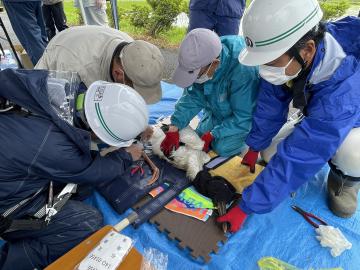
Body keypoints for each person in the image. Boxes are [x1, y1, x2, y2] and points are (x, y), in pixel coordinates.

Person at [217, 0, 360, 232]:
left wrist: (248, 204)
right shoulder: (293, 52)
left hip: (352, 116)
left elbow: (306, 150)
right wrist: (255, 146)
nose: (265, 68)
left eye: (270, 61)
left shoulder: (341, 91)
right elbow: (269, 104)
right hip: (320, 110)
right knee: (270, 153)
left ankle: (345, 180)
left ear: (308, 50)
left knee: (351, 151)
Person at [0, 69, 149, 269]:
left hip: (11, 167)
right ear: (98, 131)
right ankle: (14, 260)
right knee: (87, 222)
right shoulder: (52, 146)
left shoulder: (53, 87)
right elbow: (91, 171)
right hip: (8, 207)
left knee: (78, 189)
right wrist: (126, 156)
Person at [160, 28, 259, 157]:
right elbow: (192, 96)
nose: (195, 80)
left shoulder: (244, 72)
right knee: (198, 137)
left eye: (196, 75)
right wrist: (175, 126)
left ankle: (249, 144)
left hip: (245, 120)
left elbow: (244, 117)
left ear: (214, 64)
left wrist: (214, 134)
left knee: (221, 148)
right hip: (218, 111)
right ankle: (216, 127)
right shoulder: (203, 56)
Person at [35, 25, 165, 104]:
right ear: (118, 74)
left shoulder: (133, 50)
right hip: (61, 51)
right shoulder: (77, 68)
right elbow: (66, 112)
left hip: (86, 46)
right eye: (136, 89)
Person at [2, 0, 47, 65]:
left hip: (18, 3)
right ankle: (50, 68)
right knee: (41, 36)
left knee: (32, 41)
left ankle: (45, 71)